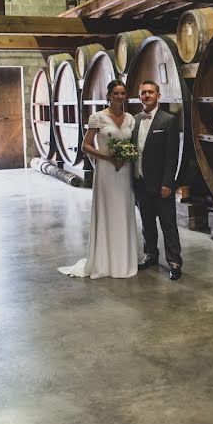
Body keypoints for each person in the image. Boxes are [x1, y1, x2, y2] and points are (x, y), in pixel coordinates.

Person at [58, 80, 138, 279]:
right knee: (108, 211)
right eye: (116, 93)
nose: (119, 97)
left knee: (124, 212)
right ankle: (104, 261)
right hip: (106, 171)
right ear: (109, 95)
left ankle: (124, 259)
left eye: (122, 93)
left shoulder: (130, 118)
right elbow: (86, 146)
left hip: (124, 171)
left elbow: (133, 144)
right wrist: (108, 157)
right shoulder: (98, 117)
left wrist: (127, 156)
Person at [132, 80, 183, 280]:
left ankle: (174, 261)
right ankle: (151, 254)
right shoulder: (133, 120)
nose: (147, 95)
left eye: (150, 92)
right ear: (139, 96)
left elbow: (172, 156)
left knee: (168, 224)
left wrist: (168, 183)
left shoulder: (168, 120)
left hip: (161, 184)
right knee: (146, 222)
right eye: (143, 92)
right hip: (140, 181)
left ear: (158, 96)